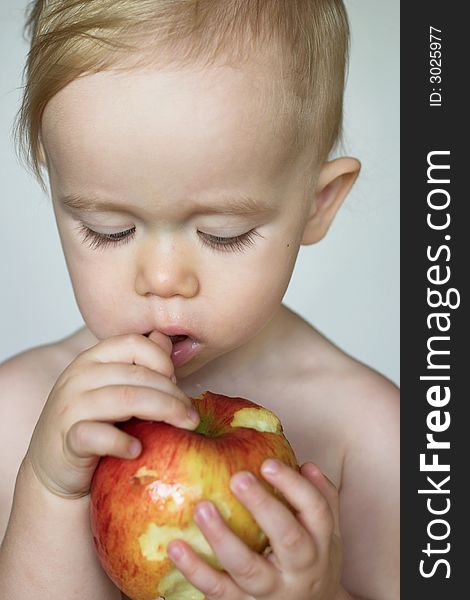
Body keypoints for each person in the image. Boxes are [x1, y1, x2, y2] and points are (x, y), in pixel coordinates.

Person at [0, 1, 399, 599]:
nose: (162, 279)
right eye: (108, 229)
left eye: (223, 234)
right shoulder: (20, 410)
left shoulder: (370, 433)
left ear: (317, 204)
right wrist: (52, 491)